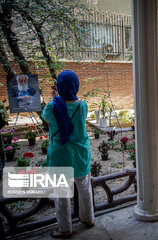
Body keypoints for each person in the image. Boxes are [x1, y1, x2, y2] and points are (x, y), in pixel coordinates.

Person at [42, 70, 94, 238]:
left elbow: (46, 117)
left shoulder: (52, 106)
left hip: (61, 154)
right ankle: (88, 219)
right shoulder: (82, 105)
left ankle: (65, 229)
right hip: (80, 152)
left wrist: (56, 97)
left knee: (62, 194)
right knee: (85, 188)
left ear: (59, 86)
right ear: (76, 86)